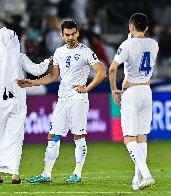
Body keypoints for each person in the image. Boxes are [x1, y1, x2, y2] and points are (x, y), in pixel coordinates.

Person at [18, 20, 106, 183]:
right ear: (62, 35)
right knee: (53, 136)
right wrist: (33, 82)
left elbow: (101, 72)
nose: (70, 37)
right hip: (63, 98)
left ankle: (77, 173)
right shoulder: (59, 52)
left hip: (78, 98)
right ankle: (46, 174)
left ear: (77, 33)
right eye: (67, 34)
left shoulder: (86, 51)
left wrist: (87, 88)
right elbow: (53, 76)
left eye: (73, 34)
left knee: (78, 136)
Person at [0, 27, 50, 184]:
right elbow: (37, 70)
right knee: (15, 136)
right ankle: (14, 174)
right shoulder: (19, 57)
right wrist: (49, 61)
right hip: (16, 102)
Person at [109, 13, 158, 190]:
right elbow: (141, 47)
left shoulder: (127, 44)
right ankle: (137, 179)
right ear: (146, 28)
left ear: (130, 27)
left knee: (129, 138)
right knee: (141, 136)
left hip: (131, 92)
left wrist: (114, 90)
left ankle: (146, 175)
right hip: (147, 90)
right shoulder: (154, 44)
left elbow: (113, 68)